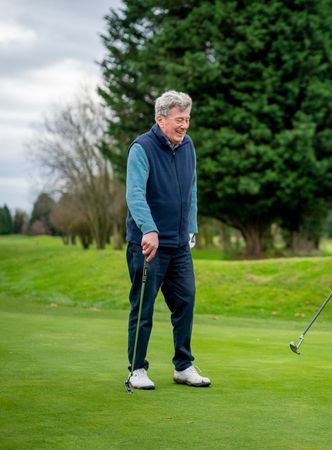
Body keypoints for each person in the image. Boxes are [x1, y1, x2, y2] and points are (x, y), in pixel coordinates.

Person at [125, 90, 210, 390]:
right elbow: (135, 194)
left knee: (185, 301)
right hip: (147, 245)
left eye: (187, 119)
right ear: (160, 119)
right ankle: (137, 369)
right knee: (143, 306)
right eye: (179, 119)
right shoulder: (142, 148)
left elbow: (192, 189)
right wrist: (149, 229)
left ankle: (183, 365)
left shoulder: (188, 147)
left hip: (178, 245)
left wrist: (190, 227)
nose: (184, 125)